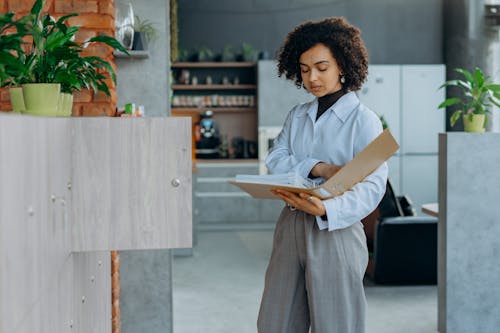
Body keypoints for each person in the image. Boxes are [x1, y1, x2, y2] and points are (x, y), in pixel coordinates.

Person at [257, 17, 388, 333]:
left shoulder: (364, 121)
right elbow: (276, 158)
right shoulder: (297, 115)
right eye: (304, 69)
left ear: (342, 65)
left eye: (321, 67)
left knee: (336, 323)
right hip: (290, 225)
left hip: (335, 230)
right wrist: (319, 168)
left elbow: (373, 186)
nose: (312, 77)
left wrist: (327, 208)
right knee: (276, 322)